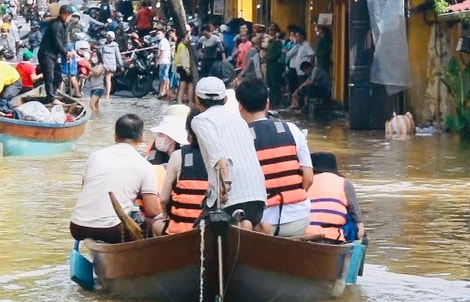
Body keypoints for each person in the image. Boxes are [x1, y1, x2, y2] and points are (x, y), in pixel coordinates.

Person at [165, 75, 266, 231]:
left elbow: (217, 156)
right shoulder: (240, 120)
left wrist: (225, 185)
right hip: (258, 200)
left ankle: (242, 226)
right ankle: (255, 226)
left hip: (231, 201)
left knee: (198, 231)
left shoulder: (200, 120)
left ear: (197, 101)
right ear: (224, 100)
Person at [235, 77, 313, 236]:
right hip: (298, 218)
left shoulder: (237, 138)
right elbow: (309, 178)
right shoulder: (292, 129)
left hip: (261, 221)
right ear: (267, 104)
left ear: (240, 107)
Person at [70, 113, 162, 243]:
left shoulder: (95, 156)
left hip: (77, 226)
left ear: (115, 136)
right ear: (141, 138)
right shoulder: (145, 166)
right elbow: (152, 210)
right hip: (112, 230)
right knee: (150, 222)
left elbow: (85, 188)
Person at [303, 150, 360, 243]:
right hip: (332, 237)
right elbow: (358, 221)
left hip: (302, 234)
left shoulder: (304, 181)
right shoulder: (344, 183)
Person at [84, 44, 107, 115]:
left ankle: (95, 118)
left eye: (95, 56)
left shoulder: (101, 66)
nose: (93, 58)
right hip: (93, 88)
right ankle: (97, 118)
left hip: (99, 88)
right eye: (92, 56)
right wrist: (84, 76)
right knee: (96, 106)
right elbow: (90, 77)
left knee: (91, 105)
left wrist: (89, 68)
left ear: (98, 57)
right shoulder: (93, 66)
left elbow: (97, 73)